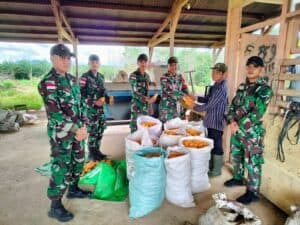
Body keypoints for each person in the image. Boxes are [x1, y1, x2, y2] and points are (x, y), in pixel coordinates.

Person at [38, 44, 90, 222]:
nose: (67, 61)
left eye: (68, 57)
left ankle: (73, 189)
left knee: (78, 160)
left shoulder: (72, 79)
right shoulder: (47, 83)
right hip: (61, 135)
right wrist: (77, 129)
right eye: (63, 57)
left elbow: (79, 105)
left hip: (77, 132)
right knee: (61, 167)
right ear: (53, 58)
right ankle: (55, 206)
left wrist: (83, 127)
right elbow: (55, 115)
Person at [224, 56, 273, 204]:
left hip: (251, 133)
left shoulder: (264, 89)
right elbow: (233, 106)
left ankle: (253, 192)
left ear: (261, 69)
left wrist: (239, 125)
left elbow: (258, 112)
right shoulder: (242, 87)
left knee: (252, 161)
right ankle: (238, 178)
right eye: (249, 66)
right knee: (237, 156)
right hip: (236, 130)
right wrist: (232, 121)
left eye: (255, 66)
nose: (250, 69)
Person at [192, 63, 228, 177]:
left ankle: (217, 170)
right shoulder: (216, 85)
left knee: (217, 145)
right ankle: (212, 165)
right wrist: (196, 97)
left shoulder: (222, 87)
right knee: (211, 142)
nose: (214, 74)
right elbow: (208, 98)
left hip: (216, 121)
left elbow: (210, 105)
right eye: (213, 71)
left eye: (217, 72)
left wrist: (195, 107)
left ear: (223, 74)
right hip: (211, 120)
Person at [80, 54, 112, 160]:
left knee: (100, 130)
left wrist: (108, 98)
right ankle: (91, 154)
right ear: (89, 63)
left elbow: (103, 91)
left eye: (96, 62)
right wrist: (93, 102)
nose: (94, 64)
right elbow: (80, 94)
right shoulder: (85, 77)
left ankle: (98, 152)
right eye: (92, 62)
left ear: (99, 64)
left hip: (100, 110)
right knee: (93, 132)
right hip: (90, 110)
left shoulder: (101, 77)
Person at [129, 54, 156, 133]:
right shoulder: (133, 75)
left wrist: (150, 106)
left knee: (144, 126)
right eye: (141, 62)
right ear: (138, 63)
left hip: (145, 107)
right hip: (137, 106)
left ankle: (143, 144)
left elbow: (147, 91)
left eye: (145, 62)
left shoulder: (147, 76)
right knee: (135, 126)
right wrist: (147, 99)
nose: (143, 64)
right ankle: (133, 144)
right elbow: (135, 92)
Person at [159, 56, 189, 123]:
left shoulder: (179, 77)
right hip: (166, 109)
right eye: (171, 65)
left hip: (177, 108)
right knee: (165, 129)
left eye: (175, 65)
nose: (173, 67)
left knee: (176, 129)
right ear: (168, 66)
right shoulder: (164, 77)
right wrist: (184, 96)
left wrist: (188, 94)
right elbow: (171, 92)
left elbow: (184, 87)